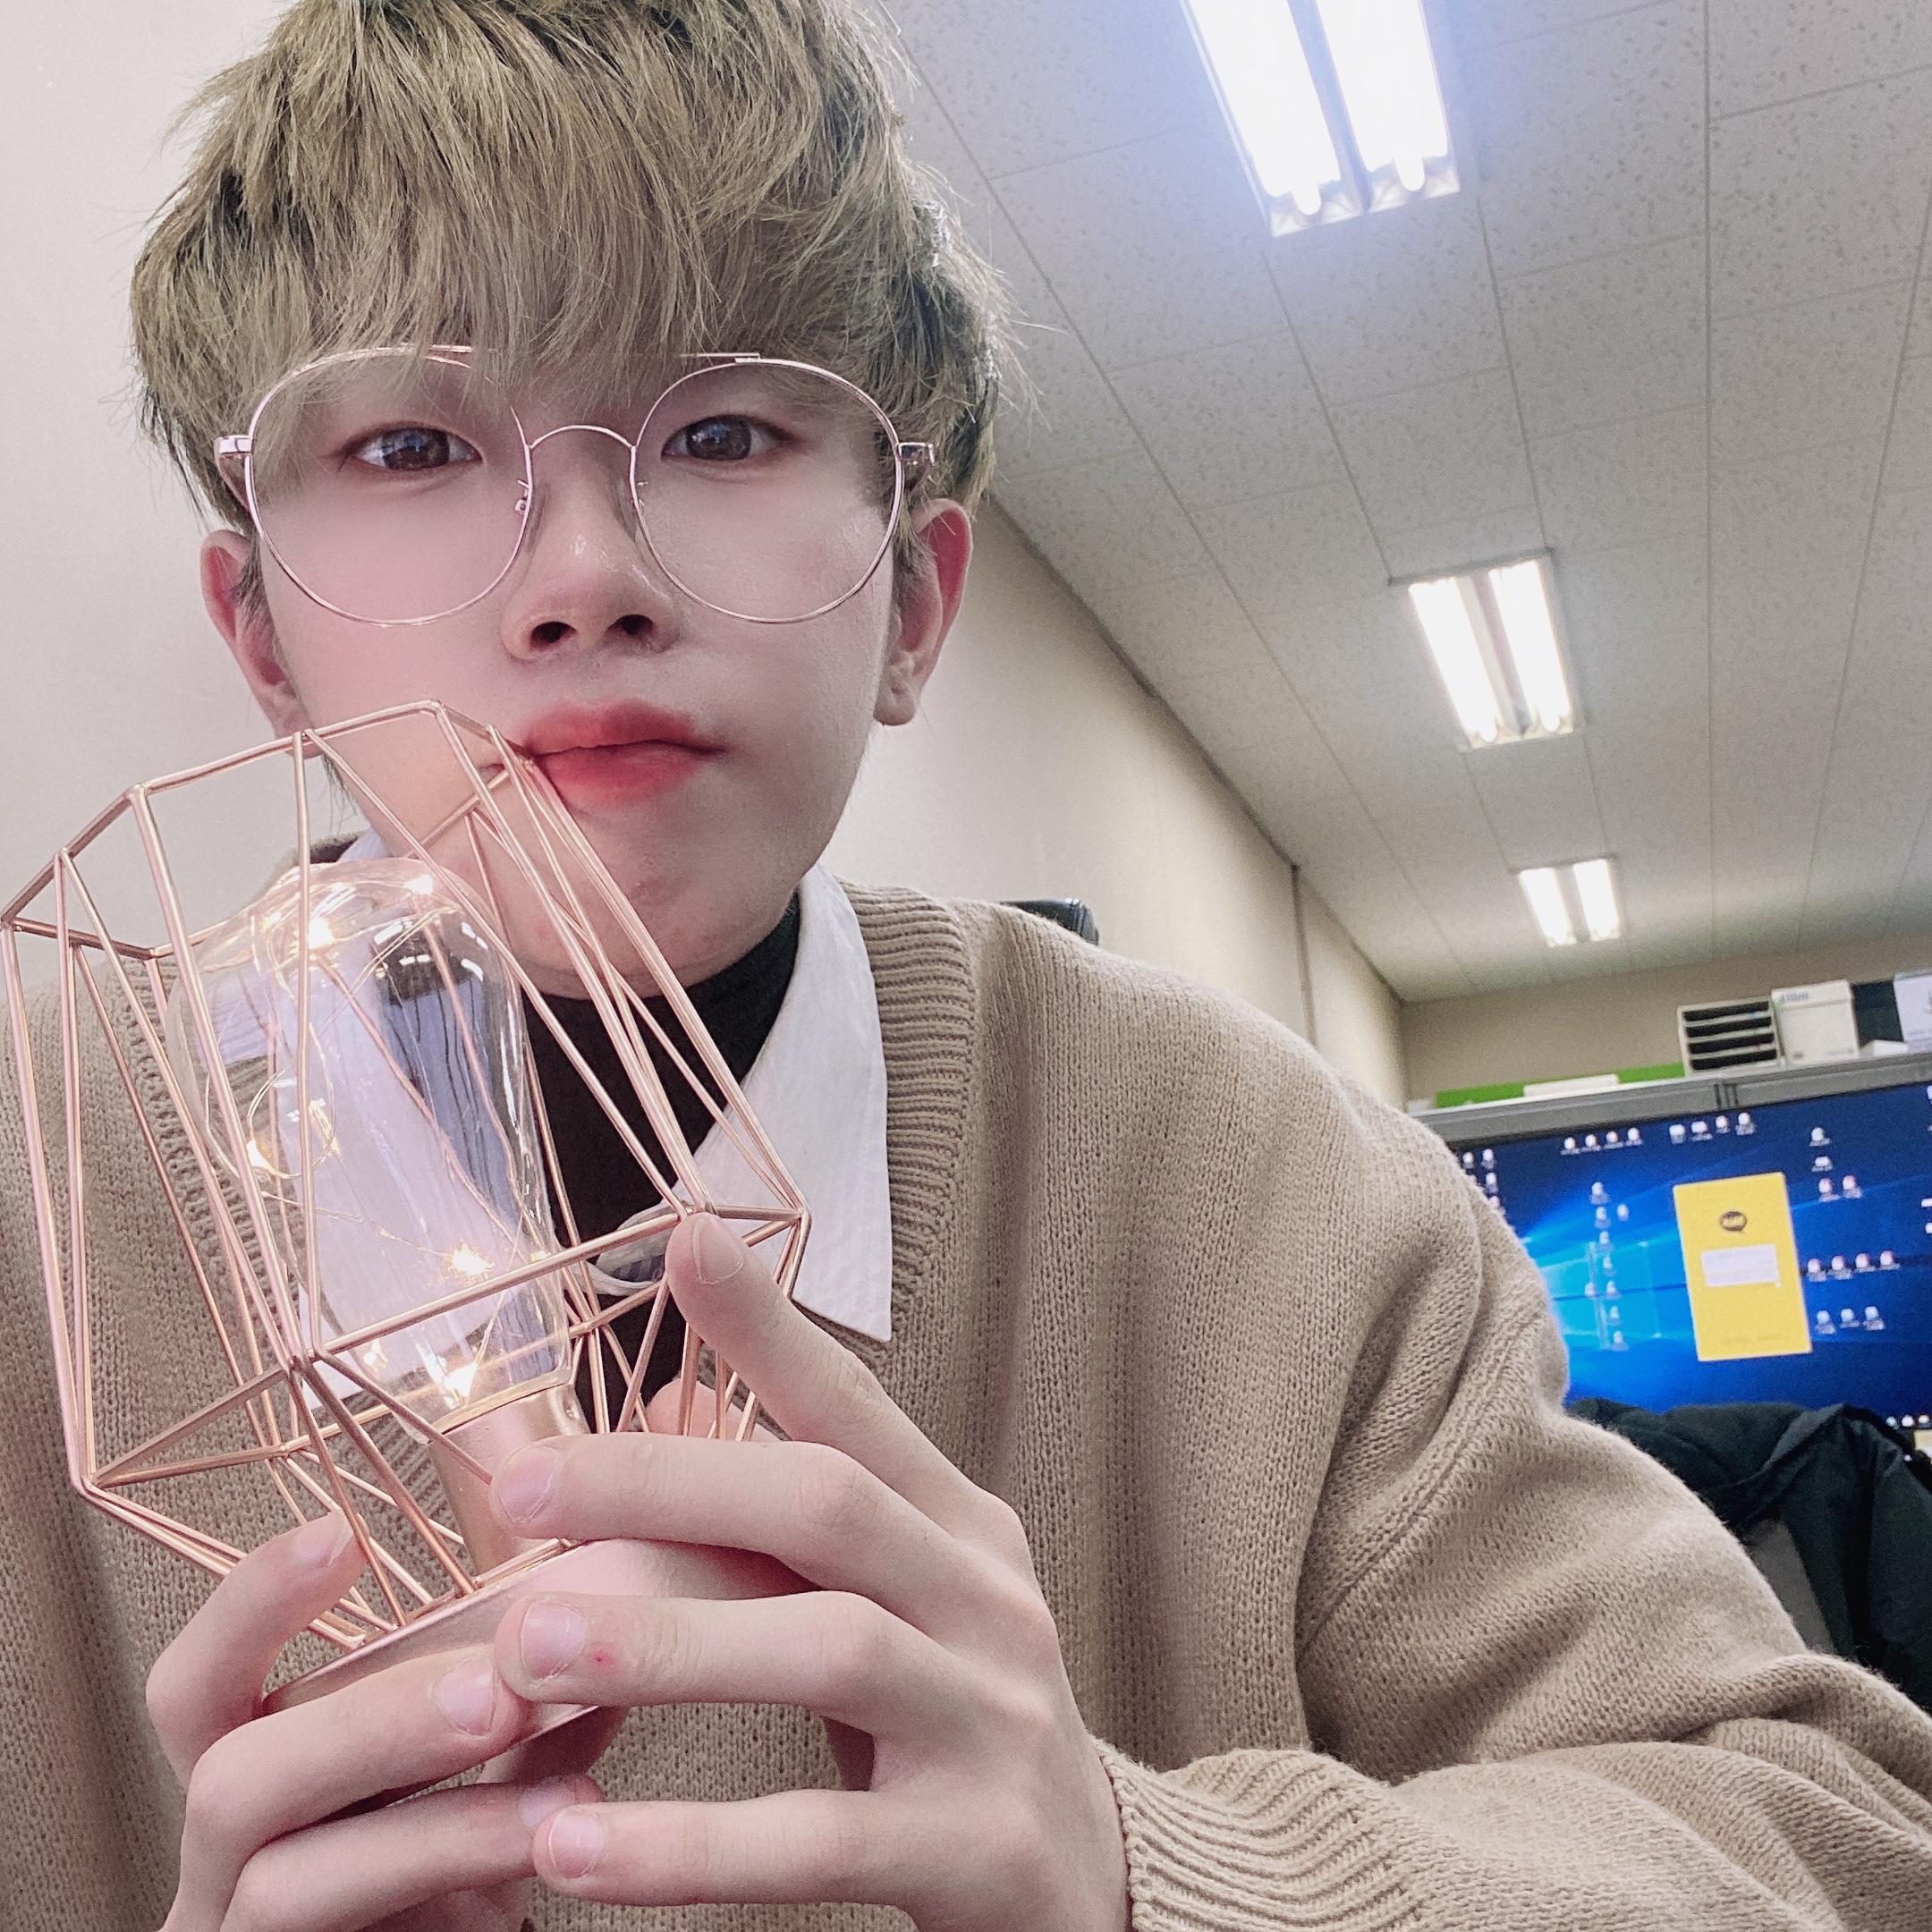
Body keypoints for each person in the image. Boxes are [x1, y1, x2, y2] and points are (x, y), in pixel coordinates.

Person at [2, 2, 1931, 1927]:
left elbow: (1829, 1832)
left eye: (724, 429)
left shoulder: (1261, 1182)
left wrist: (1145, 1877)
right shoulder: (39, 1209)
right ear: (260, 635)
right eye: (413, 443)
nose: (585, 578)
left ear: (916, 603)